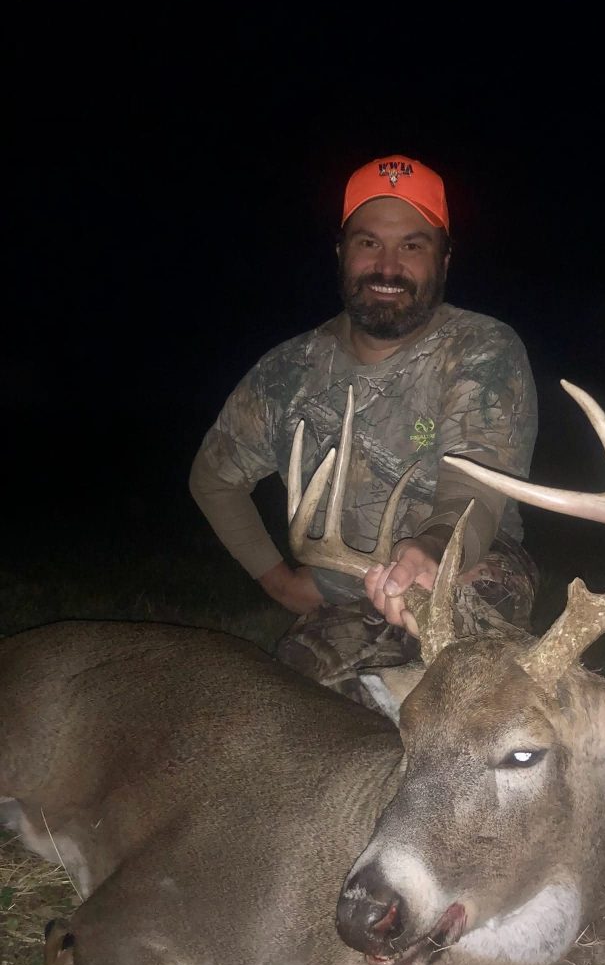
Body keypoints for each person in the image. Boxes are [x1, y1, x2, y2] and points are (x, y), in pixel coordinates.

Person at [189, 154, 539, 706]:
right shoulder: (288, 373)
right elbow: (213, 478)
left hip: (466, 566)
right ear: (341, 252)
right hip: (347, 587)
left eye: (413, 245)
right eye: (368, 242)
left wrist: (430, 550)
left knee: (469, 696)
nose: (388, 266)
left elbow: (477, 486)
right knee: (297, 702)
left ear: (444, 259)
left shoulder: (481, 350)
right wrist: (277, 580)